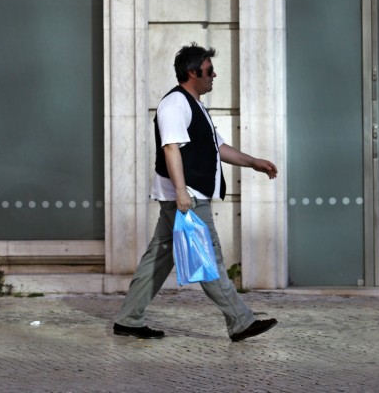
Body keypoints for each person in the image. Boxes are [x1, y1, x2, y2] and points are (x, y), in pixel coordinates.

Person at [113, 43, 279, 342]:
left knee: (159, 258)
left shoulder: (194, 104)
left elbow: (220, 148)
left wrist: (253, 162)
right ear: (192, 72)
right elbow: (170, 147)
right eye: (209, 70)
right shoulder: (175, 104)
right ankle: (240, 321)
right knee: (209, 258)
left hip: (183, 196)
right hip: (187, 197)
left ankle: (128, 319)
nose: (214, 75)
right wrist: (182, 194)